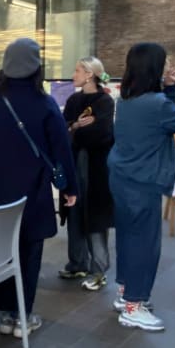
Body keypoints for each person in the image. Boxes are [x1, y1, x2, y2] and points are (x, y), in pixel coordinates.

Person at [0, 38, 78, 338]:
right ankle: (23, 317)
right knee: (28, 253)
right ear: (36, 66)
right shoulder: (44, 104)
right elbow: (61, 150)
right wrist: (70, 187)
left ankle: (6, 315)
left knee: (4, 252)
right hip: (31, 192)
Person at [108, 42, 175, 331]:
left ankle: (126, 293)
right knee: (144, 245)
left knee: (128, 238)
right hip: (144, 182)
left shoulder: (127, 100)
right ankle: (134, 305)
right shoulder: (155, 104)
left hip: (123, 178)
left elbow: (161, 117)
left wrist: (170, 89)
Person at [59, 56, 115, 291]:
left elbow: (102, 135)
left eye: (78, 70)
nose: (74, 75)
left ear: (89, 74)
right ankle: (77, 263)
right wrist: (75, 126)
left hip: (96, 170)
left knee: (95, 220)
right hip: (74, 165)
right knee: (74, 214)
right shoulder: (73, 100)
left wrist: (75, 131)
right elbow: (63, 130)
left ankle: (99, 271)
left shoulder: (105, 101)